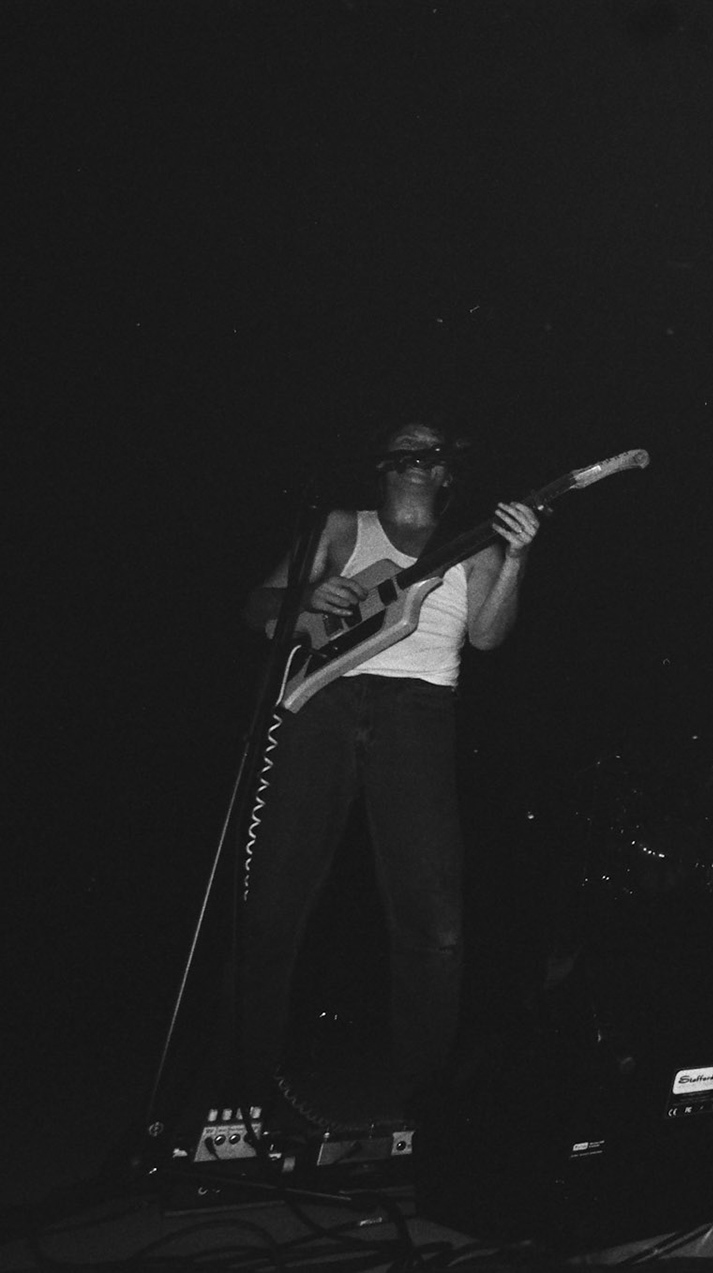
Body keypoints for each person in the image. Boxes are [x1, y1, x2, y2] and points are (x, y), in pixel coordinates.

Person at [234, 420, 540, 1128]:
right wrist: (305, 600)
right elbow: (256, 608)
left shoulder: (476, 542)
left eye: (430, 449)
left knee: (433, 918)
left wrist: (518, 558)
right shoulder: (342, 527)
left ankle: (423, 1105)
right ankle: (239, 1096)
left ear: (446, 473)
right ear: (384, 463)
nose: (416, 456)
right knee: (272, 906)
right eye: (404, 446)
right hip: (321, 703)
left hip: (418, 714)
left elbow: (489, 636)